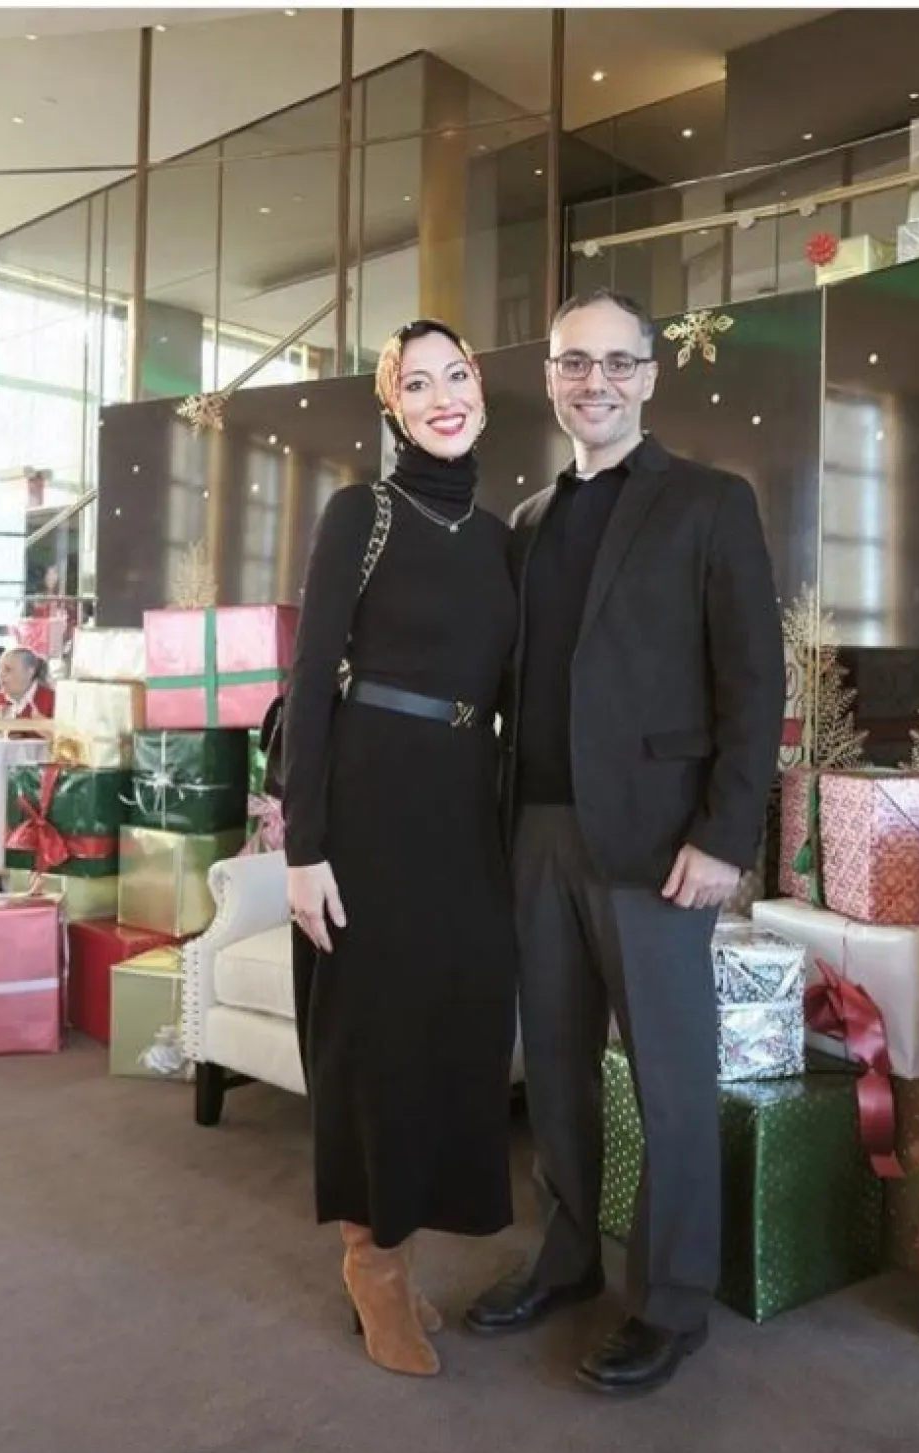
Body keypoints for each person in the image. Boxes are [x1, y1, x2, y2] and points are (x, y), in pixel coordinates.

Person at [466, 289, 785, 1395]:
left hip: (659, 843)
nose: (593, 380)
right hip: (535, 831)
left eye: (615, 361)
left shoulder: (710, 502)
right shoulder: (525, 520)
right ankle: (564, 1260)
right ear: (550, 377)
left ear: (650, 375)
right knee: (556, 1071)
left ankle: (673, 1299)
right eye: (573, 362)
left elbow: (755, 683)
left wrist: (725, 835)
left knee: (671, 1080)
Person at [282, 319, 518, 1379]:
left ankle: (402, 1245)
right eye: (416, 384)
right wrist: (304, 847)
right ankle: (371, 1264)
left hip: (466, 804)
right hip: (369, 799)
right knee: (374, 1036)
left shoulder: (504, 539)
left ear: (481, 392)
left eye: (455, 375)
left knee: (447, 1032)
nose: (441, 396)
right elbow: (309, 680)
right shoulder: (361, 513)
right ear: (393, 409)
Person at [0, 647, 55, 721]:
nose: (0, 675)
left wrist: (46, 726)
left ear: (30, 672)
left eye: (8, 669)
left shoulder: (53, 700)